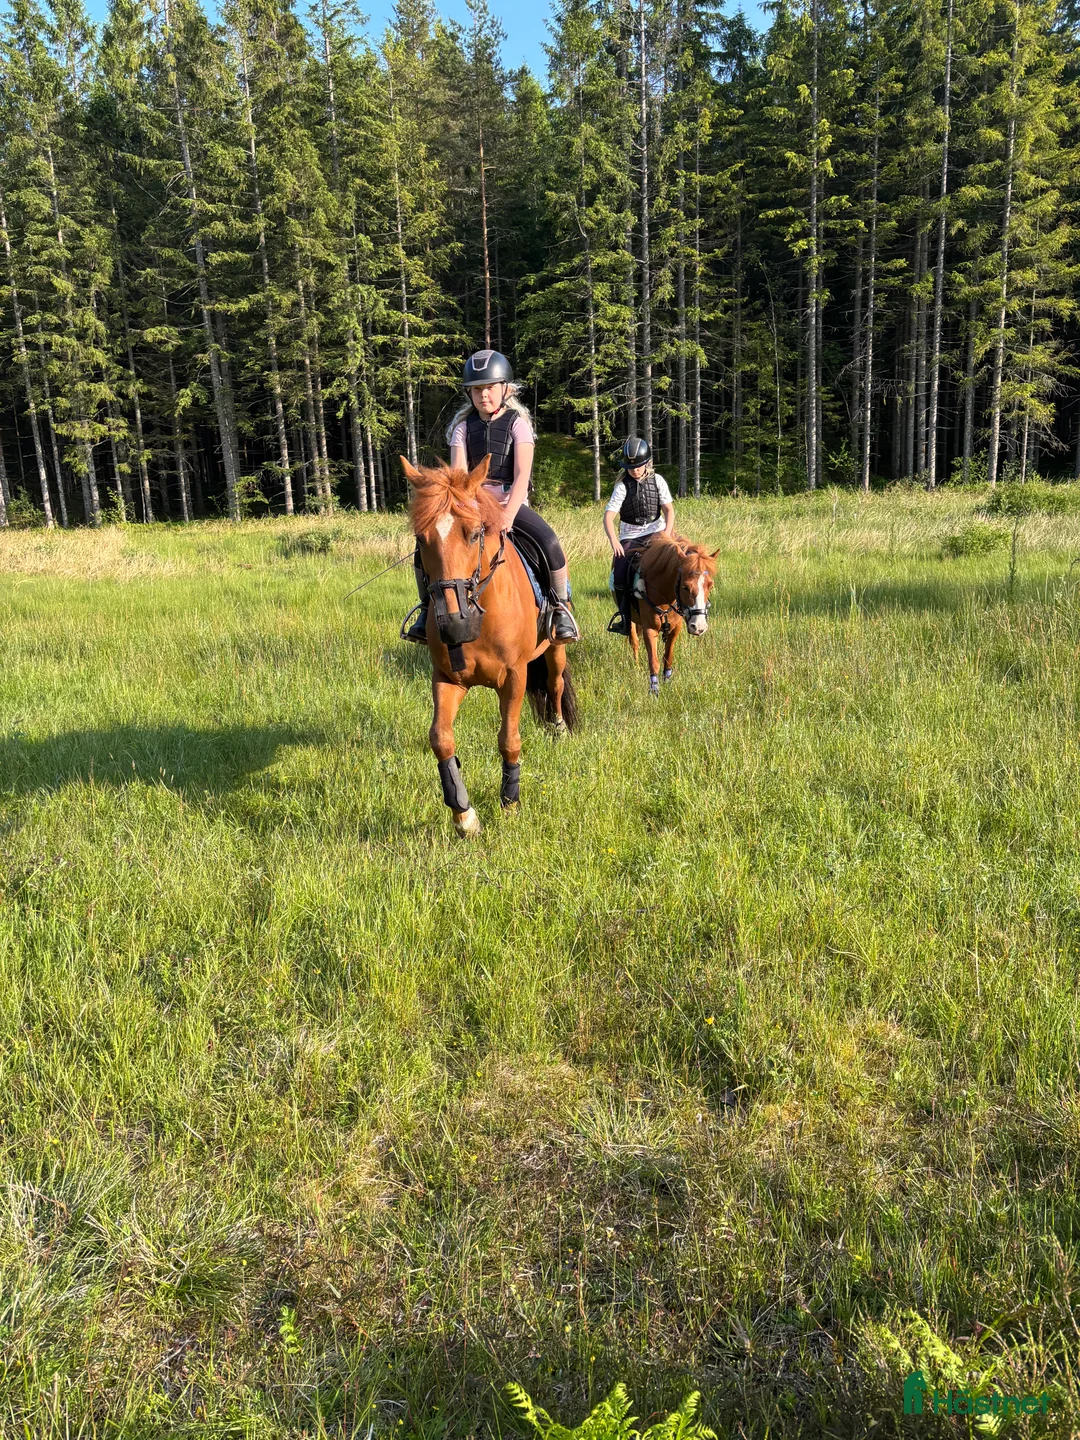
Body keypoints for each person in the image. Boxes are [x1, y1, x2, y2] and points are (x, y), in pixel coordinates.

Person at [405, 350, 579, 644]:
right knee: (423, 549)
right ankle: (425, 609)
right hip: (473, 505)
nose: (483, 395)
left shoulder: (518, 424)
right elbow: (458, 478)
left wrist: (508, 515)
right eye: (476, 389)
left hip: (510, 501)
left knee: (548, 541)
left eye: (489, 388)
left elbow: (523, 474)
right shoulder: (461, 428)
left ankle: (560, 607)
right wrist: (460, 508)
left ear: (505, 389)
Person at [603, 436, 676, 636]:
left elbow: (669, 511)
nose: (635, 470)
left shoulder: (658, 480)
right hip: (631, 536)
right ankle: (625, 618)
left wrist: (667, 536)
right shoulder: (622, 486)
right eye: (630, 466)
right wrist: (614, 541)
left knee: (684, 563)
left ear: (647, 463)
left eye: (639, 466)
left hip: (657, 533)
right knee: (619, 572)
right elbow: (608, 518)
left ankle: (688, 611)